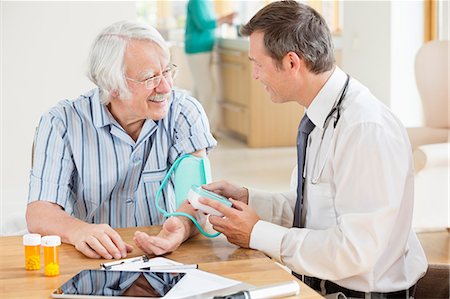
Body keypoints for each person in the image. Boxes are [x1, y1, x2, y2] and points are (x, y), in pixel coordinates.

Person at [136, 1, 428, 297]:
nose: (255, 76)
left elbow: (354, 252)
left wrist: (257, 234)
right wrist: (249, 200)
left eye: (258, 64)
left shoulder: (365, 129)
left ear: (291, 62)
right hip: (319, 284)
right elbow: (313, 212)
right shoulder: (320, 117)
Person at [26, 20, 216, 260]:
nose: (166, 87)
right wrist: (77, 230)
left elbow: (196, 198)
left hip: (165, 257)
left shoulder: (184, 112)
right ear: (111, 85)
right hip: (94, 258)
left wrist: (181, 226)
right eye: (150, 78)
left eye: (167, 71)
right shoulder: (61, 122)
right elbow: (39, 213)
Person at [185, 0, 236, 134]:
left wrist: (224, 20)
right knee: (207, 90)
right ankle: (205, 131)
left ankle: (195, 128)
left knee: (200, 90)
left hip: (201, 48)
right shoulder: (197, 1)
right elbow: (204, 24)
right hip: (198, 49)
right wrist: (225, 19)